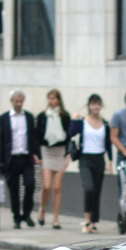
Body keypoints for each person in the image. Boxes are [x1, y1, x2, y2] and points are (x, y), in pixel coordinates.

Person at [67, 94, 113, 234]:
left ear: (101, 106)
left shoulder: (105, 124)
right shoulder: (82, 121)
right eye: (93, 104)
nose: (96, 106)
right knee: (89, 188)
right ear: (88, 106)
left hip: (99, 159)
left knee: (97, 191)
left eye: (98, 104)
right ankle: (87, 219)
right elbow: (71, 133)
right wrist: (73, 120)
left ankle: (93, 223)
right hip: (85, 159)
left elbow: (108, 144)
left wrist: (109, 161)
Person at [0, 89, 41, 228]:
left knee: (30, 185)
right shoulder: (4, 118)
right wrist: (1, 161)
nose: (19, 104)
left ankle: (27, 214)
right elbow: (1, 140)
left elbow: (33, 137)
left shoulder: (28, 117)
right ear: (12, 102)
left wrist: (37, 154)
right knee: (14, 190)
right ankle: (16, 217)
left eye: (21, 101)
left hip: (26, 157)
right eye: (16, 101)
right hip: (11, 159)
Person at [36, 89, 71, 230]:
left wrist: (68, 155)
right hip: (46, 151)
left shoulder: (64, 116)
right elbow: (37, 135)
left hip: (60, 151)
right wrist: (37, 154)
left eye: (54, 98)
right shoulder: (43, 116)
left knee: (57, 187)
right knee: (47, 186)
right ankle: (42, 209)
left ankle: (56, 218)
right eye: (50, 98)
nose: (52, 101)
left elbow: (69, 136)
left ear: (59, 100)